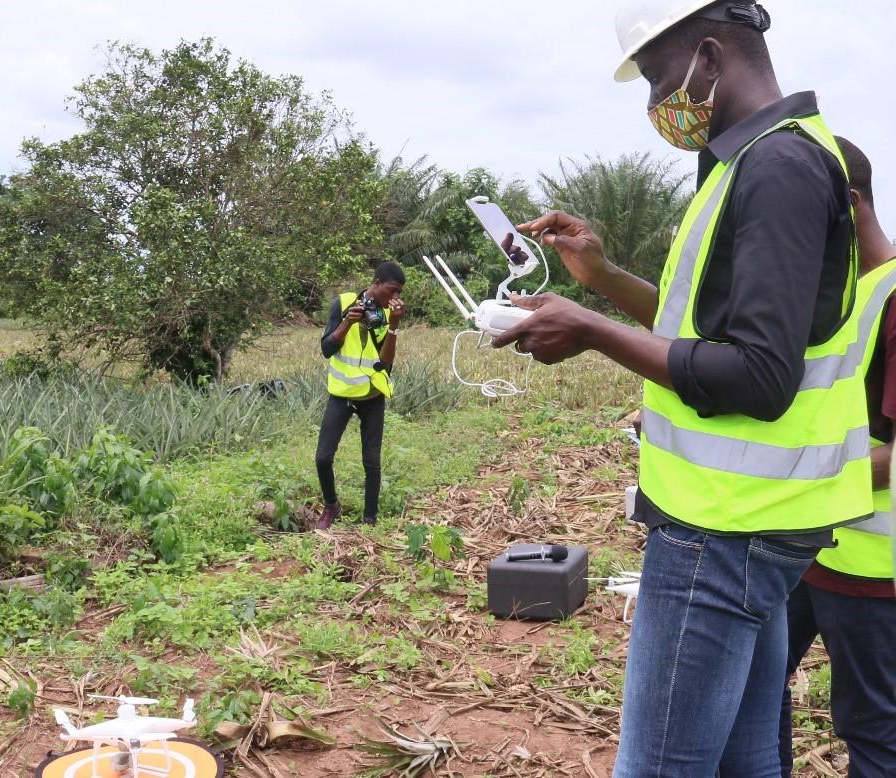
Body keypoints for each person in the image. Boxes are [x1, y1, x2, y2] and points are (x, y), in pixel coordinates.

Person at [492, 2, 871, 774]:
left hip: (720, 531)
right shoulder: (745, 164)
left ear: (707, 54)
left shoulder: (778, 168)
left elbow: (761, 376)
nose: (654, 102)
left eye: (658, 76)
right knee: (744, 762)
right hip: (748, 528)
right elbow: (696, 330)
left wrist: (592, 333)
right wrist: (596, 281)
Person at [779, 137, 896, 777]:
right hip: (810, 549)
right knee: (756, 689)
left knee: (875, 731)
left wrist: (801, 478)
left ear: (847, 204)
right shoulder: (848, 294)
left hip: (874, 570)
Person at [315, 261, 405, 529]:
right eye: (391, 290)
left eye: (399, 293)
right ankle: (331, 506)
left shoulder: (388, 313)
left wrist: (394, 325)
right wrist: (347, 323)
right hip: (342, 394)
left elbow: (386, 363)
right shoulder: (343, 303)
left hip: (372, 395)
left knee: (371, 461)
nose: (395, 298)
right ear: (376, 282)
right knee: (323, 457)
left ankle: (369, 520)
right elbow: (327, 349)